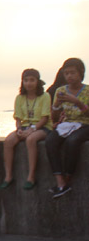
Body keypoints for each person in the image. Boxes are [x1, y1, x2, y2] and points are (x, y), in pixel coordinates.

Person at [45, 57, 89, 199]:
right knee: (50, 141)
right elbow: (55, 117)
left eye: (72, 73)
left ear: (81, 73)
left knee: (72, 141)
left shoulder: (87, 90)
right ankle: (60, 181)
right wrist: (56, 105)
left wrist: (77, 102)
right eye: (66, 73)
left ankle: (68, 177)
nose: (69, 76)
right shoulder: (60, 90)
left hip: (85, 124)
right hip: (67, 124)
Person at [1, 69, 51, 190]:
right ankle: (8, 176)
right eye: (26, 80)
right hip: (25, 126)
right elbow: (18, 118)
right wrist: (19, 129)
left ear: (37, 81)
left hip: (42, 127)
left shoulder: (45, 96)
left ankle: (31, 176)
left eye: (32, 80)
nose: (29, 83)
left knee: (31, 140)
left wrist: (32, 130)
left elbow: (44, 118)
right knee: (8, 141)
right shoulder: (20, 98)